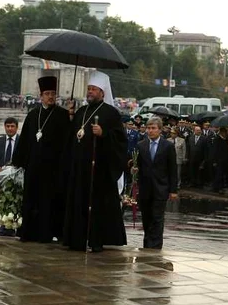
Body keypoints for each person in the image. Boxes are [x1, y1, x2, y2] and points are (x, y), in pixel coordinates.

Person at [63, 71, 127, 252]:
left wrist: (104, 134)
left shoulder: (111, 113)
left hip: (99, 172)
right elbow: (73, 136)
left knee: (97, 207)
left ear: (102, 92)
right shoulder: (81, 111)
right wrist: (70, 117)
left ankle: (96, 240)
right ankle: (76, 239)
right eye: (89, 89)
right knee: (78, 204)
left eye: (94, 89)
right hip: (79, 170)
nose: (90, 92)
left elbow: (121, 141)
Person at [13, 77, 71, 243]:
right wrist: (17, 162)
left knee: (49, 202)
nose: (50, 97)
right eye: (47, 94)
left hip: (53, 169)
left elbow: (67, 142)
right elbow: (24, 140)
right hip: (33, 167)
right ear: (41, 96)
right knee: (31, 200)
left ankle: (47, 233)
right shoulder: (33, 115)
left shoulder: (62, 115)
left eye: (53, 93)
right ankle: (29, 232)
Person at [131, 117, 178, 249]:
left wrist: (173, 191)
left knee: (157, 218)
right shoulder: (141, 145)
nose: (150, 131)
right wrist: (134, 170)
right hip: (145, 188)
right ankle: (147, 244)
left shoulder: (167, 146)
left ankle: (155, 246)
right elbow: (137, 165)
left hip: (160, 188)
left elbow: (172, 170)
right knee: (147, 218)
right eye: (148, 128)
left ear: (160, 130)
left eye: (153, 128)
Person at [0, 117, 20, 237]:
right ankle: (5, 226)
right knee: (3, 202)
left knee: (16, 202)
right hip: (2, 180)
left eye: (12, 126)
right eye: (8, 126)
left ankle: (13, 226)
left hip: (17, 179)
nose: (10, 128)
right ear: (4, 127)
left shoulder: (22, 141)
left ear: (16, 128)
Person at [208, 127, 228, 194]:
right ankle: (218, 188)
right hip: (218, 160)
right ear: (222, 132)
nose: (226, 134)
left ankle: (218, 187)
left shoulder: (226, 140)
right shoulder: (217, 139)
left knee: (222, 174)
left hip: (225, 160)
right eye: (225, 132)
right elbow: (214, 151)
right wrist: (214, 161)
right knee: (218, 175)